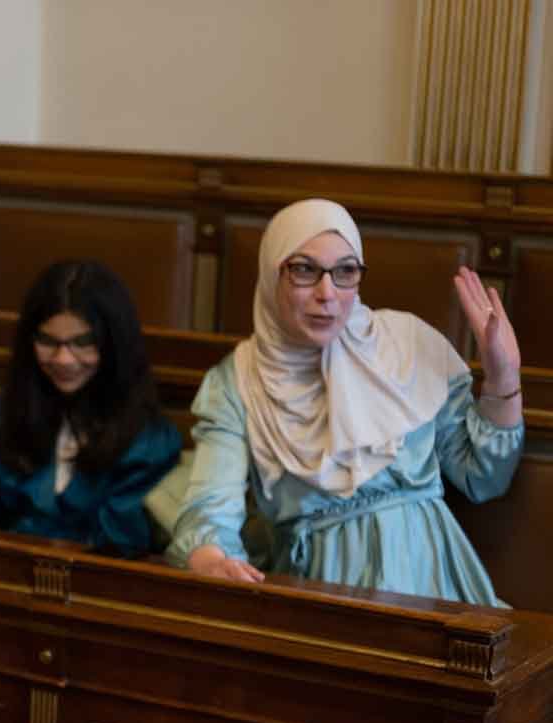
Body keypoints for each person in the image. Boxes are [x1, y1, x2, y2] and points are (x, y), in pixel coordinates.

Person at [168, 198, 523, 604]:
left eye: (345, 271)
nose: (327, 293)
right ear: (271, 275)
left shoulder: (407, 345)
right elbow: (211, 504)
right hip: (317, 593)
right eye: (304, 270)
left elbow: (482, 477)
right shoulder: (237, 381)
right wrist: (210, 557)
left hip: (430, 582)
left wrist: (503, 376)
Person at [0, 260, 181, 557]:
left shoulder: (151, 441)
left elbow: (118, 544)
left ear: (114, 345)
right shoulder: (14, 409)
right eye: (48, 341)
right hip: (2, 575)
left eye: (82, 343)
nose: (64, 359)